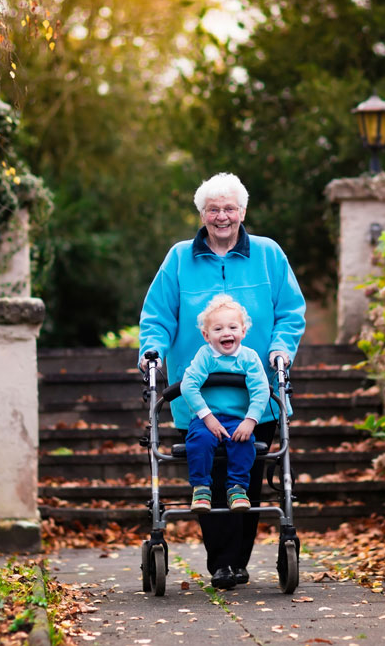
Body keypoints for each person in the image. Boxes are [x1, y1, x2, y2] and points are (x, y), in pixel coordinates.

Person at [138, 171, 306, 590]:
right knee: (207, 474)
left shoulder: (268, 254)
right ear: (202, 213)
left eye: (229, 208)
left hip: (256, 392)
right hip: (197, 397)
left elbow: (290, 310)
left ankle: (236, 560)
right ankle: (221, 563)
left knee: (247, 472)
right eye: (213, 209)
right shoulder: (179, 258)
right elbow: (157, 316)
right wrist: (151, 352)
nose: (222, 216)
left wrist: (282, 347)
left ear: (243, 211)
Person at [182, 294, 270, 514]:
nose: (226, 333)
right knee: (199, 440)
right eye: (218, 329)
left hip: (237, 419)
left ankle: (237, 488)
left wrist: (251, 420)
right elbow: (188, 385)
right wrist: (207, 417)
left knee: (243, 440)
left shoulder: (249, 358)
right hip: (206, 420)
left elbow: (260, 389)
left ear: (243, 331)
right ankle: (201, 488)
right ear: (206, 335)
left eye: (232, 327)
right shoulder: (205, 356)